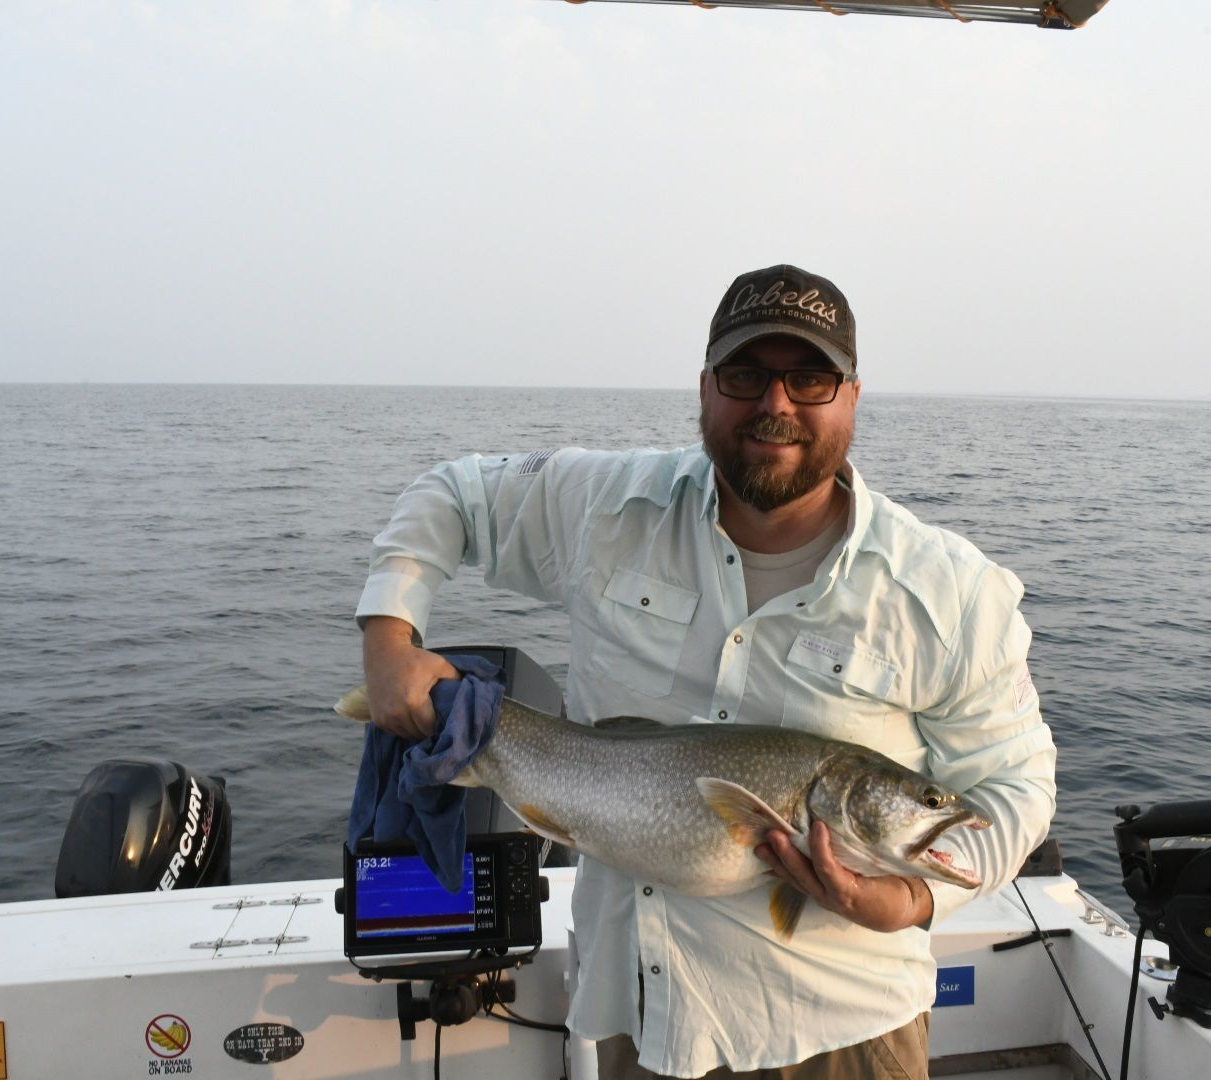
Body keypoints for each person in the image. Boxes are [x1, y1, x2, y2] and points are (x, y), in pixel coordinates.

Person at [356, 264, 1056, 1080]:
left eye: (810, 377)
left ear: (853, 397)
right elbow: (452, 494)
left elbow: (1016, 787)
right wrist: (389, 637)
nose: (776, 404)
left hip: (843, 1039)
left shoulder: (951, 592)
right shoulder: (606, 507)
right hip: (637, 1024)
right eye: (746, 374)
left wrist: (916, 898)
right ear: (705, 388)